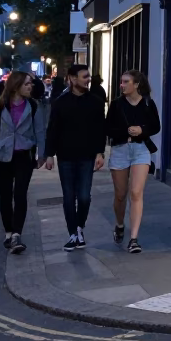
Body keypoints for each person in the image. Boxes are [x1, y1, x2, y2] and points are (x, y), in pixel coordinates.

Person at [0, 72, 48, 255]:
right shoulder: (0, 106)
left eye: (30, 84)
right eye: (27, 84)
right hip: (1, 156)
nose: (30, 87)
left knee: (20, 194)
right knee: (5, 195)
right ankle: (9, 232)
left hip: (24, 156)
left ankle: (17, 234)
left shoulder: (34, 105)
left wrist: (43, 154)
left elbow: (40, 131)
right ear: (16, 86)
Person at [43, 64, 106, 251]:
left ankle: (80, 227)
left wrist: (100, 152)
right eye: (84, 76)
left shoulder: (95, 101)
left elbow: (100, 130)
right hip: (65, 157)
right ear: (72, 78)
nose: (88, 79)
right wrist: (49, 155)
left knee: (85, 197)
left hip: (87, 156)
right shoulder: (60, 102)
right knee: (69, 197)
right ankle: (73, 233)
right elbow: (52, 130)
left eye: (88, 76)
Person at [105, 70, 161, 253]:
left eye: (126, 82)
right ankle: (120, 224)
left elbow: (155, 126)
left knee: (136, 192)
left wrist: (142, 130)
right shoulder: (116, 104)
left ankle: (134, 238)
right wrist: (126, 131)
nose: (122, 85)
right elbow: (108, 129)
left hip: (140, 150)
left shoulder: (147, 103)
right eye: (121, 82)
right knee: (120, 194)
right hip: (121, 149)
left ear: (136, 84)